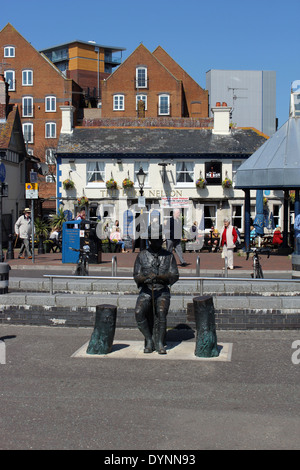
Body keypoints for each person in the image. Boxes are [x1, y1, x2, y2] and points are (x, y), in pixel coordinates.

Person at [134, 224, 179, 354]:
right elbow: (136, 276)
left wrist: (160, 277)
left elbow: (175, 275)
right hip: (146, 291)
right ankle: (149, 339)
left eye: (159, 239)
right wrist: (145, 278)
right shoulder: (142, 255)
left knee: (161, 312)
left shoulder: (169, 256)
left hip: (162, 291)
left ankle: (159, 342)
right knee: (138, 312)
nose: (157, 242)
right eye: (154, 240)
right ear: (149, 240)